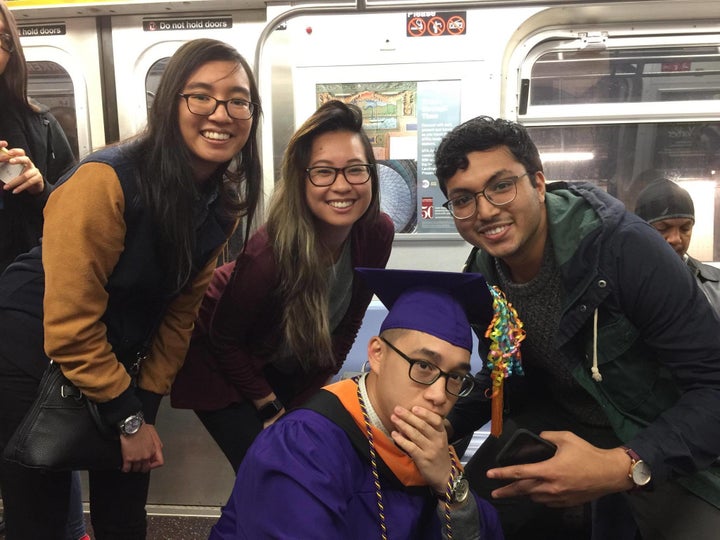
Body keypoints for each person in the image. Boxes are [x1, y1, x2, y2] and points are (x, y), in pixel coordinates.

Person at [0, 37, 262, 539]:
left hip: (114, 357)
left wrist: (141, 405)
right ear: (170, 106)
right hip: (27, 355)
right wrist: (128, 419)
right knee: (41, 519)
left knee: (124, 514)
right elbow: (71, 326)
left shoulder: (220, 205)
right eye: (200, 95)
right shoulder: (106, 180)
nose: (221, 112)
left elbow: (179, 318)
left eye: (238, 99)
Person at [433, 115, 720, 540]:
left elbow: (714, 388)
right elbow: (505, 376)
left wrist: (620, 466)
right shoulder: (485, 272)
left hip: (662, 435)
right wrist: (443, 424)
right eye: (462, 199)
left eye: (501, 185)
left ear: (538, 182)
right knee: (465, 515)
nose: (485, 211)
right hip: (563, 420)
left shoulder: (624, 250)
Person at [171, 99, 395, 472]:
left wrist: (310, 399)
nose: (342, 186)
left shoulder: (376, 234)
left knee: (305, 451)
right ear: (301, 179)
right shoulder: (269, 253)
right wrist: (270, 404)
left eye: (356, 170)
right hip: (217, 359)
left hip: (281, 359)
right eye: (323, 172)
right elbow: (225, 339)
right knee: (268, 468)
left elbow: (347, 324)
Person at [209, 268, 504, 539]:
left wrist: (451, 487)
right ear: (377, 354)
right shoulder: (302, 447)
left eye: (455, 377)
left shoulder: (435, 451)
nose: (440, 395)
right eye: (424, 366)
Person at [0, 3, 84, 538]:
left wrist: (42, 191)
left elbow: (83, 225)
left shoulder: (40, 124)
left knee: (42, 451)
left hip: (28, 324)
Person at [0, 0, 75, 272]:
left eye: (1, 37)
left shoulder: (41, 122)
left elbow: (74, 209)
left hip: (30, 276)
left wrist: (41, 188)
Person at [635, 177, 720, 315]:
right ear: (641, 230)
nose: (676, 239)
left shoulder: (716, 284)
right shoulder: (622, 285)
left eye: (685, 228)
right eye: (663, 229)